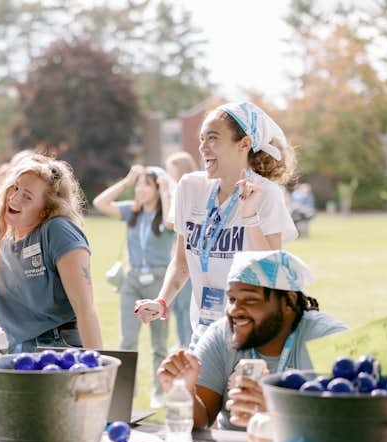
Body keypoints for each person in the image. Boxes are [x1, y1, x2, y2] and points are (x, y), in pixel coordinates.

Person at [135, 101, 299, 347]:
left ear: (244, 144)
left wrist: (249, 215)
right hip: (204, 333)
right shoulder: (189, 188)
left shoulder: (266, 194)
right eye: (201, 139)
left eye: (212, 138)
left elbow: (271, 273)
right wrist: (161, 302)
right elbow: (182, 263)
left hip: (252, 336)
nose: (203, 148)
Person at [157, 250, 347, 430]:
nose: (234, 310)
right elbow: (200, 421)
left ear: (288, 302)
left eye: (249, 300)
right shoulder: (220, 335)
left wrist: (280, 414)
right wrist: (184, 391)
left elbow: (351, 428)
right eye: (231, 299)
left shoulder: (329, 339)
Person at [0, 153, 102, 352]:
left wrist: (96, 371)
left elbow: (85, 309)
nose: (14, 197)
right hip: (13, 352)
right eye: (15, 187)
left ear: (46, 209)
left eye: (27, 196)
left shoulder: (57, 230)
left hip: (57, 349)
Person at [93, 164, 175, 407]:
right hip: (132, 280)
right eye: (138, 185)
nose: (140, 189)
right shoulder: (132, 212)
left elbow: (171, 224)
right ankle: (126, 389)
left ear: (157, 188)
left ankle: (159, 392)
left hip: (159, 282)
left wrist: (166, 192)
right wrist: (127, 181)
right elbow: (100, 203)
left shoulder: (165, 212)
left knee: (159, 343)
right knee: (127, 341)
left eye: (145, 184)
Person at [163, 151, 199, 349]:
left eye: (171, 170)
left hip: (189, 256)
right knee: (178, 303)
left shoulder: (184, 190)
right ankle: (183, 339)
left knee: (185, 302)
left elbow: (169, 221)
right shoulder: (180, 188)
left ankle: (186, 342)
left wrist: (163, 193)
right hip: (179, 255)